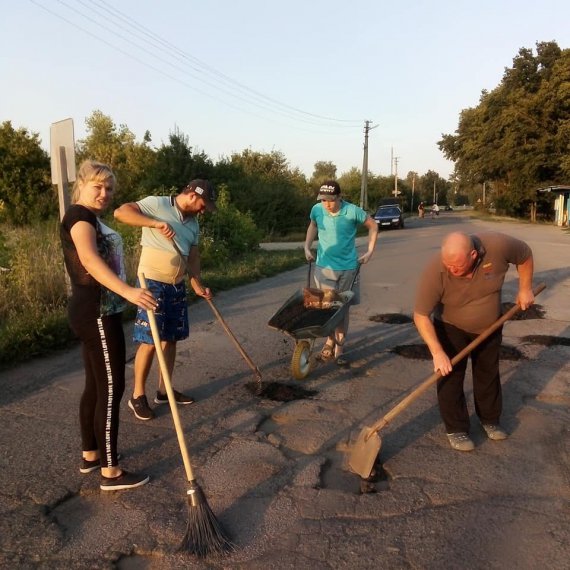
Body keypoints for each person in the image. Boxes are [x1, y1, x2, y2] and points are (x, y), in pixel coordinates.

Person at [60, 160, 156, 491]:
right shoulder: (80, 217)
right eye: (97, 186)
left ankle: (91, 455)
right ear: (82, 186)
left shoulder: (90, 217)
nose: (104, 193)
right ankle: (110, 471)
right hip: (97, 312)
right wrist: (129, 292)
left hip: (96, 311)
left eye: (110, 188)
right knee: (112, 388)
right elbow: (89, 259)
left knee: (96, 386)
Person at [413, 231, 534, 452]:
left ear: (473, 254)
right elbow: (421, 315)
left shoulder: (497, 246)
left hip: (490, 326)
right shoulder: (436, 270)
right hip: (451, 326)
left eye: (457, 266)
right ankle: (456, 428)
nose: (452, 270)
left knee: (487, 373)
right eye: (448, 265)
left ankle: (490, 419)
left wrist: (525, 288)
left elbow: (524, 255)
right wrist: (437, 352)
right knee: (450, 375)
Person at [114, 180, 216, 421]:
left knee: (171, 340)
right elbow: (121, 213)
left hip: (176, 285)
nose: (204, 210)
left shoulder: (193, 223)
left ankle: (164, 391)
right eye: (203, 204)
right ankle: (137, 396)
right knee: (150, 341)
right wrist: (155, 223)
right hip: (152, 283)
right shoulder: (157, 204)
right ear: (192, 196)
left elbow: (193, 257)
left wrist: (197, 284)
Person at [304, 180, 378, 366]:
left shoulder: (352, 211)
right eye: (323, 200)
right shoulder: (317, 209)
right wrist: (307, 246)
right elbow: (313, 225)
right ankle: (329, 341)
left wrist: (369, 251)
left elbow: (373, 225)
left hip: (348, 269)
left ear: (339, 197)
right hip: (324, 267)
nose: (327, 204)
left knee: (342, 310)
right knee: (327, 307)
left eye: (330, 200)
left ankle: (340, 349)